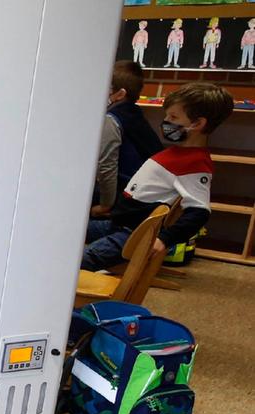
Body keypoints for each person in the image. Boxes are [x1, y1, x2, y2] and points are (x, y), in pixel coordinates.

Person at [83, 82, 232, 271]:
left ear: (198, 123)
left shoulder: (194, 163)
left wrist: (164, 239)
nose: (166, 121)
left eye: (173, 116)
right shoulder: (180, 153)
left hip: (131, 235)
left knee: (74, 262)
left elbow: (199, 211)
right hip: (118, 224)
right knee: (64, 228)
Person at [92, 61, 161, 217]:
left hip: (124, 199)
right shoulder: (134, 114)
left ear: (120, 94)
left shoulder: (111, 119)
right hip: (143, 197)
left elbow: (107, 167)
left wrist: (104, 206)